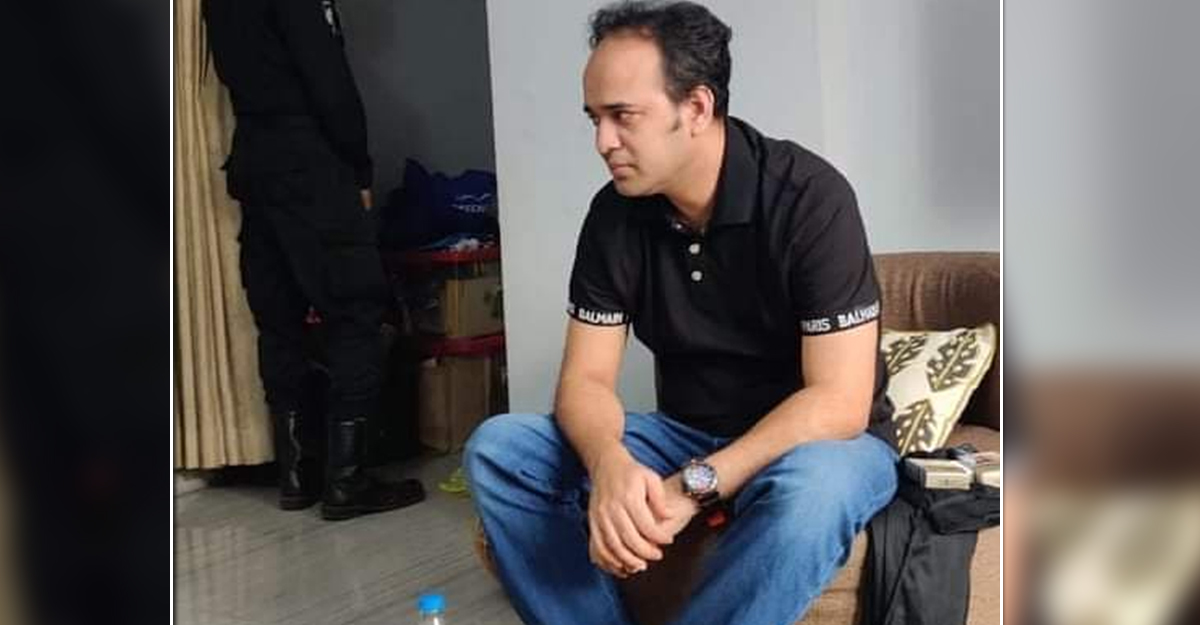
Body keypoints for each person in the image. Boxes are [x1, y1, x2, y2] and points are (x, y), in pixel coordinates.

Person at [464, 2, 898, 623]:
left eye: (622, 116)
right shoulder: (614, 215)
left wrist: (695, 486)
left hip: (818, 445)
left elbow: (839, 401)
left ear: (695, 107)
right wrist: (609, 464)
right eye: (594, 119)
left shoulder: (808, 197)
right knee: (499, 449)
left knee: (813, 491)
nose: (602, 142)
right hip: (685, 432)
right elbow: (585, 380)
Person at [203, 0, 424, 520]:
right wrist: (359, 166)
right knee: (356, 311)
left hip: (255, 162)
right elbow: (328, 82)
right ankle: (347, 481)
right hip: (310, 164)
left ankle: (296, 473)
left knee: (278, 321)